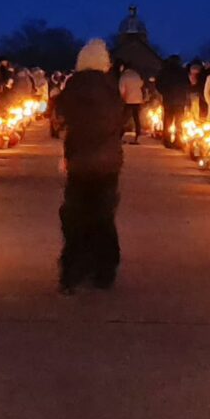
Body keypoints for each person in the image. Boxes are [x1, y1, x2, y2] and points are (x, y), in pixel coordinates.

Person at [50, 40, 126, 292]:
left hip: (79, 159)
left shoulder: (73, 86)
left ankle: (72, 270)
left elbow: (60, 116)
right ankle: (104, 270)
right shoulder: (111, 87)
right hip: (107, 161)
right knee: (103, 215)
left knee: (76, 215)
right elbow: (120, 119)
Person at [118, 62, 148, 143]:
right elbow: (141, 84)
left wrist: (122, 97)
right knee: (136, 118)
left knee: (124, 119)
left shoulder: (124, 76)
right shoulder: (136, 75)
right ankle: (138, 136)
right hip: (138, 99)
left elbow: (121, 89)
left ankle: (119, 136)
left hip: (128, 100)